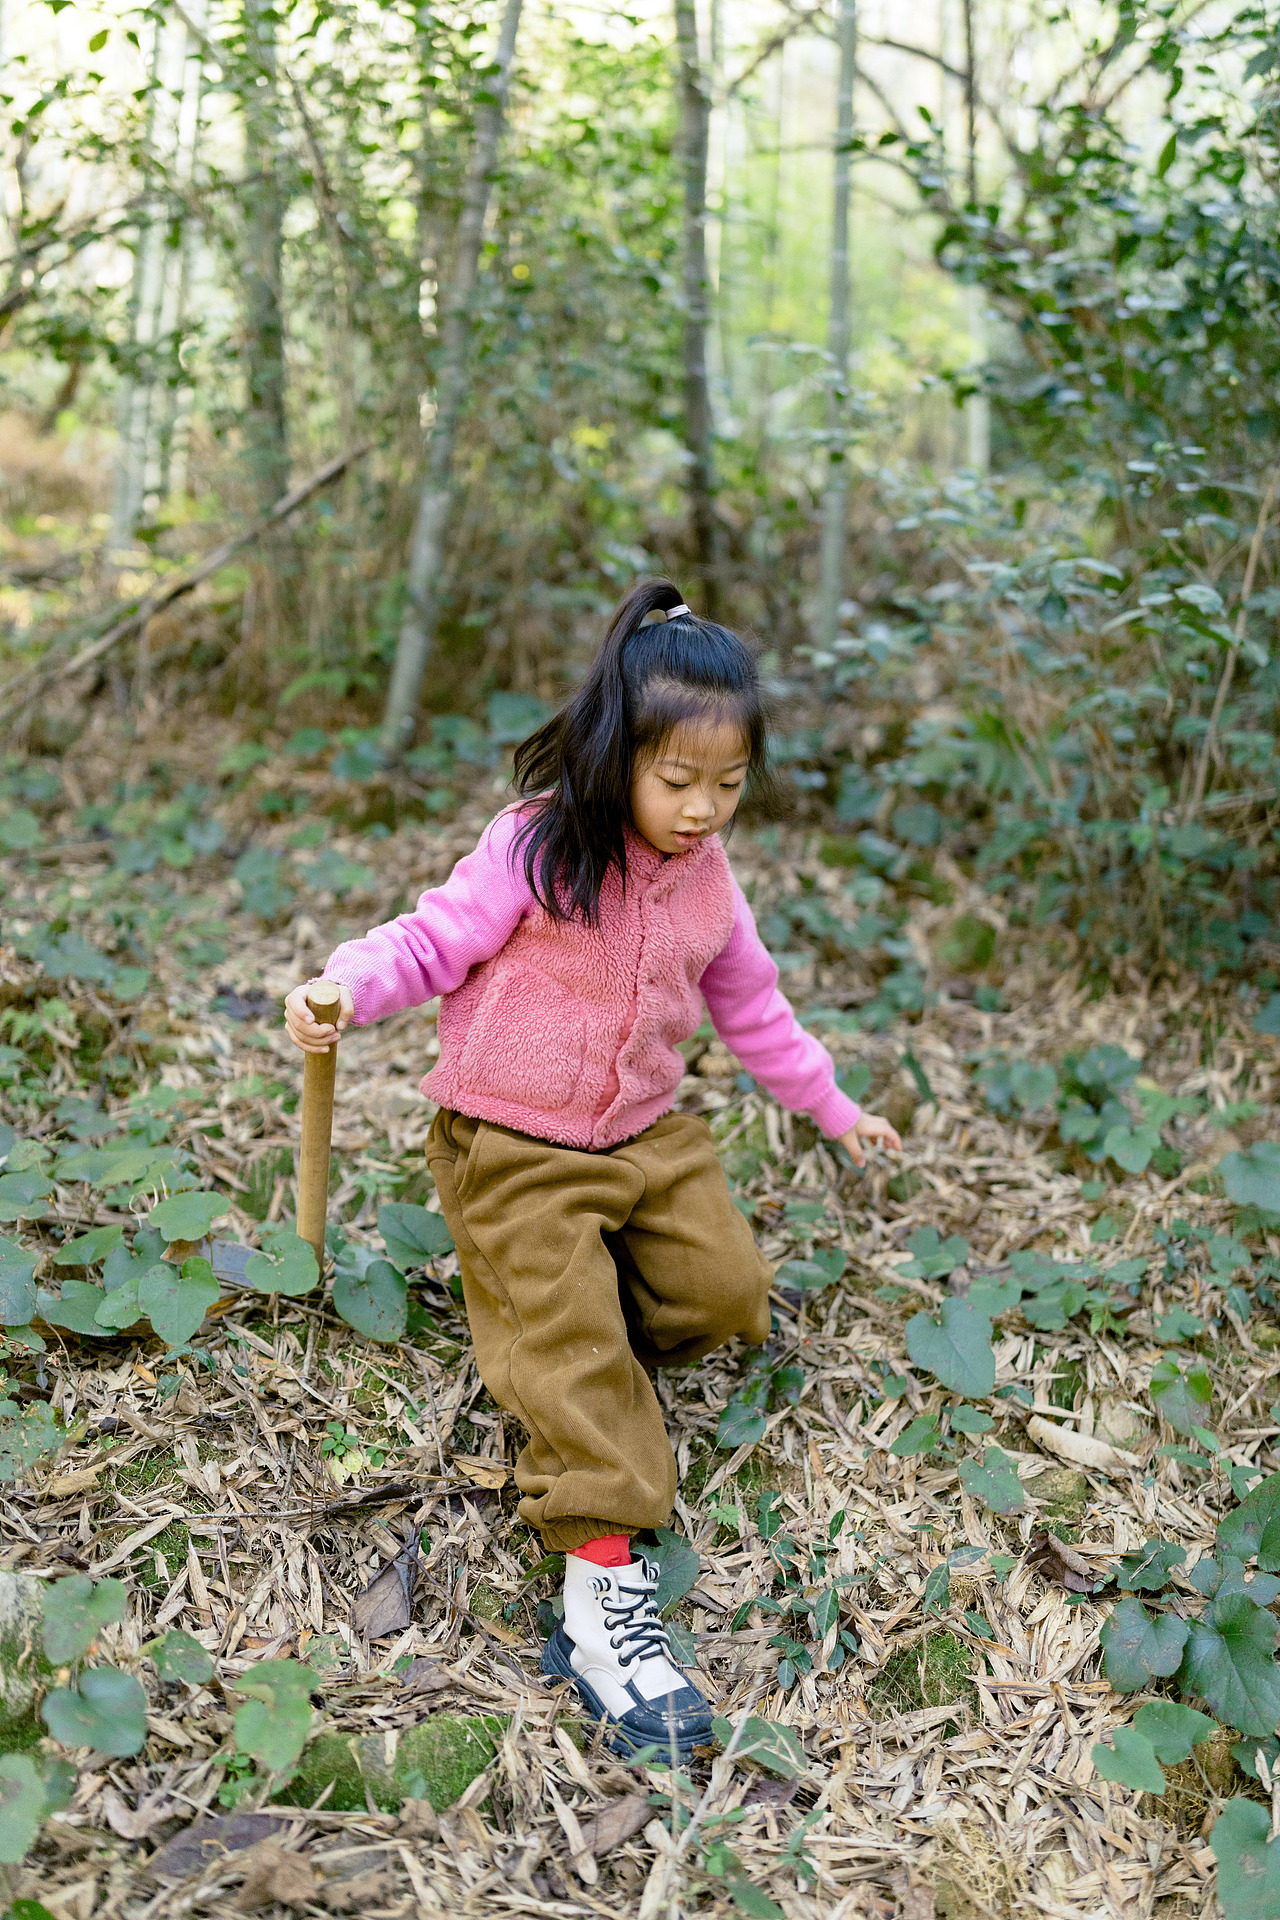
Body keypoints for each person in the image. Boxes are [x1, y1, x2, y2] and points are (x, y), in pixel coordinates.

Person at [284, 577, 901, 1756]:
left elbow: (755, 1011)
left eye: (728, 786)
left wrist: (831, 1107)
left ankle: (584, 1308)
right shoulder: (535, 845)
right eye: (677, 782)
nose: (702, 809)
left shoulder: (710, 884)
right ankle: (600, 1602)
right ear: (618, 751)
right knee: (576, 1368)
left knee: (726, 1294)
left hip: (643, 1138)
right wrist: (344, 985)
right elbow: (428, 938)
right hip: (514, 1142)